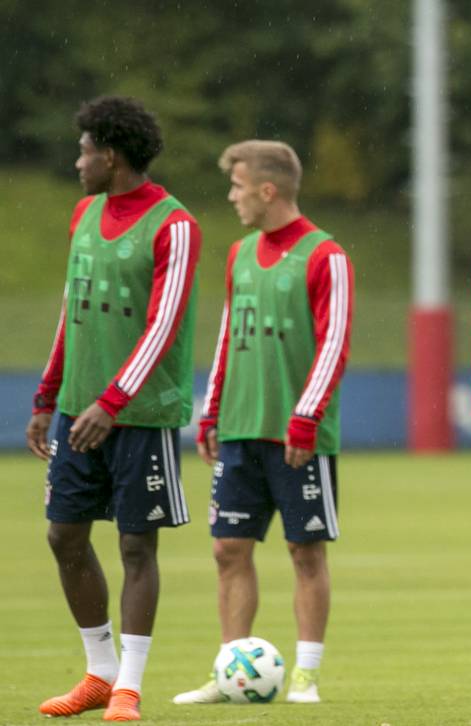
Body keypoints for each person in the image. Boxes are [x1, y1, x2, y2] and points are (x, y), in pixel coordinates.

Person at [26, 96, 202, 722]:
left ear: (110, 154)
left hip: (141, 415)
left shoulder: (174, 225)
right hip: (80, 408)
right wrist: (50, 396)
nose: (77, 161)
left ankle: (128, 685)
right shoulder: (83, 215)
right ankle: (98, 672)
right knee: (64, 536)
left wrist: (113, 399)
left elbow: (164, 324)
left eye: (83, 150)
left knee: (135, 547)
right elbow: (69, 315)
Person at [172, 140, 353, 705]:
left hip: (299, 438)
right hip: (240, 430)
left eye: (237, 186)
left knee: (305, 552)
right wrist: (212, 411)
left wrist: (305, 418)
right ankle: (232, 670)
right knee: (229, 549)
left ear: (267, 190)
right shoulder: (240, 253)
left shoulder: (327, 256)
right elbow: (228, 335)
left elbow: (334, 345)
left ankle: (306, 674)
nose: (232, 197)